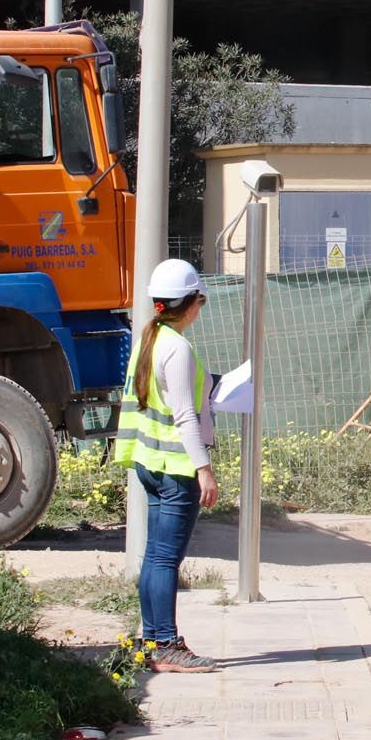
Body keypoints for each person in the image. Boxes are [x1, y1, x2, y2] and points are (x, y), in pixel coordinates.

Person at [115, 258, 221, 673]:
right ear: (190, 303)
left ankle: (152, 640)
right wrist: (204, 468)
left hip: (149, 462)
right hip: (175, 468)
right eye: (201, 301)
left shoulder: (150, 339)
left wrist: (207, 383)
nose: (201, 308)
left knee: (154, 557)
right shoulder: (177, 348)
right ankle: (165, 644)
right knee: (164, 560)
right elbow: (182, 415)